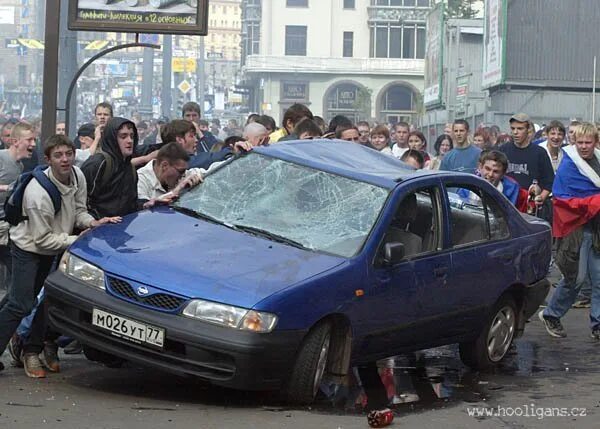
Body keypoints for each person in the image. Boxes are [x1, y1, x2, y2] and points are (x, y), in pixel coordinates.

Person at [0, 134, 121, 376]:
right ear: (48, 160)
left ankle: (25, 346)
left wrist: (92, 223)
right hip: (28, 248)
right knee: (22, 303)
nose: (65, 160)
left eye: (68, 154)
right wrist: (78, 239)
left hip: (51, 245)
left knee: (20, 298)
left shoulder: (77, 176)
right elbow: (42, 239)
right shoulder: (38, 194)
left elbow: (78, 211)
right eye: (58, 155)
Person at [539, 122, 600, 340]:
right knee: (577, 278)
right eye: (580, 142)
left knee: (599, 279)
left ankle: (598, 324)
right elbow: (563, 199)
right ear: (575, 142)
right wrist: (595, 202)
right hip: (576, 228)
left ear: (595, 142)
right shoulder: (569, 166)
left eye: (588, 142)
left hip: (597, 227)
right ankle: (551, 313)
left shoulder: (598, 160)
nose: (584, 146)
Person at [0, 123, 38, 289]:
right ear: (15, 141)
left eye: (34, 140)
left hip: (6, 227)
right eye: (29, 140)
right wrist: (7, 187)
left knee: (16, 274)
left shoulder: (20, 166)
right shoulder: (1, 157)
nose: (33, 144)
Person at [499, 113, 555, 221]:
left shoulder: (539, 153)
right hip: (506, 205)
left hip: (530, 210)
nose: (515, 132)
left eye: (520, 129)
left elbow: (549, 182)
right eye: (513, 128)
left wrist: (541, 197)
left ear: (528, 129)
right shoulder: (503, 150)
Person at [81, 117, 141, 219]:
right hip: (96, 229)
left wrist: (146, 204)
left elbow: (131, 204)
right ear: (112, 138)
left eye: (132, 136)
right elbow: (82, 203)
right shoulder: (97, 164)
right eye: (123, 136)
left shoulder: (130, 168)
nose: (129, 141)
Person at [137, 143, 202, 207]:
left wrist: (196, 177)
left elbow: (209, 171)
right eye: (181, 171)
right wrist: (175, 191)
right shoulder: (140, 180)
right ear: (164, 166)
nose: (183, 175)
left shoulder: (183, 174)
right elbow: (145, 209)